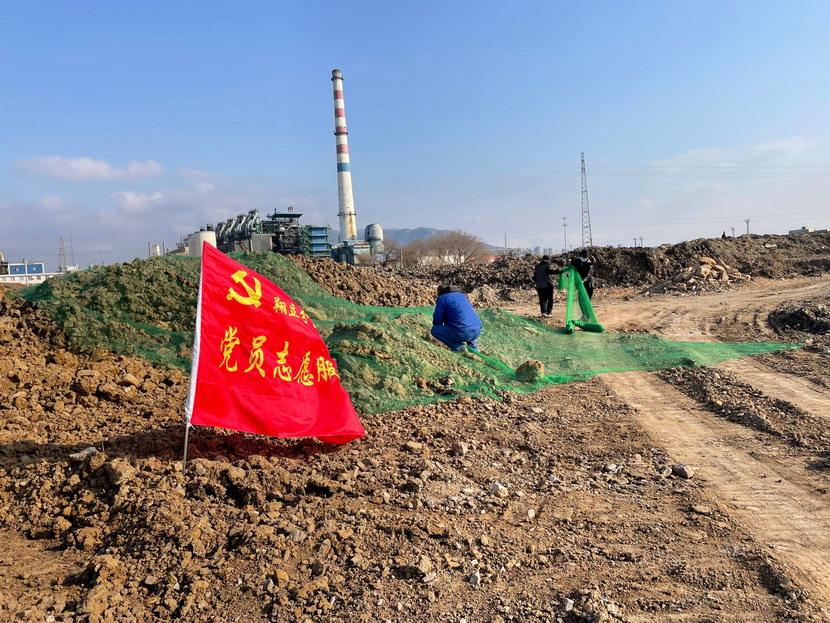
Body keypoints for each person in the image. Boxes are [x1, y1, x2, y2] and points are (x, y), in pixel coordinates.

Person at [431, 285, 481, 352]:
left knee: (435, 330)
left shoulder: (442, 298)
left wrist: (438, 326)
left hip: (462, 333)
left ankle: (458, 346)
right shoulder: (462, 296)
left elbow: (438, 319)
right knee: (467, 325)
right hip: (477, 330)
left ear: (439, 292)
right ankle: (474, 350)